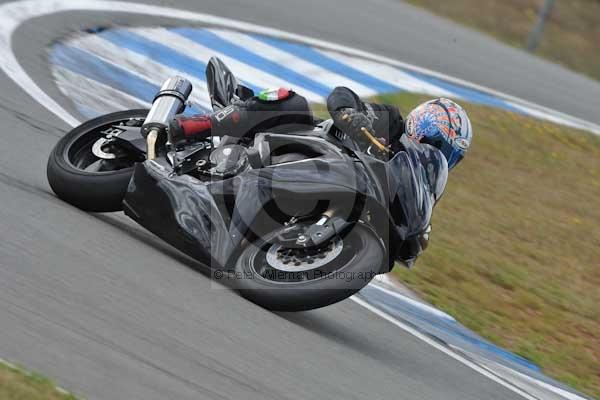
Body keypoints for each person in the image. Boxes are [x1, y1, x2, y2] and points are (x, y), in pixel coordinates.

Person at [169, 86, 473, 266]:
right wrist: (351, 115)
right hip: (302, 147)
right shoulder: (391, 122)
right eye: (437, 144)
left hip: (335, 193)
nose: (439, 156)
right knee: (292, 101)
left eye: (449, 155)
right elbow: (342, 95)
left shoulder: (416, 183)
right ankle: (191, 127)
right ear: (424, 125)